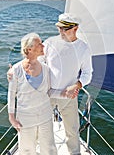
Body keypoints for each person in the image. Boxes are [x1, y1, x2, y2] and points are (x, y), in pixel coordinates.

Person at [40, 13, 93, 155]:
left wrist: (77, 85)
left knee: (72, 131)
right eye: (59, 28)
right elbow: (37, 62)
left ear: (75, 28)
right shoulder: (50, 43)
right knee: (44, 129)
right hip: (48, 93)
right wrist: (17, 70)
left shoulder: (83, 48)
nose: (61, 32)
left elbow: (88, 73)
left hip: (69, 96)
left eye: (65, 29)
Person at [7, 33, 58, 155]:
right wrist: (12, 118)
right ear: (29, 49)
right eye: (39, 44)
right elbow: (11, 94)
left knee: (49, 148)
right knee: (27, 150)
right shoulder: (17, 69)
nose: (43, 45)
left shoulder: (46, 68)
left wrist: (66, 93)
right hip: (25, 118)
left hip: (45, 115)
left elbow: (49, 91)